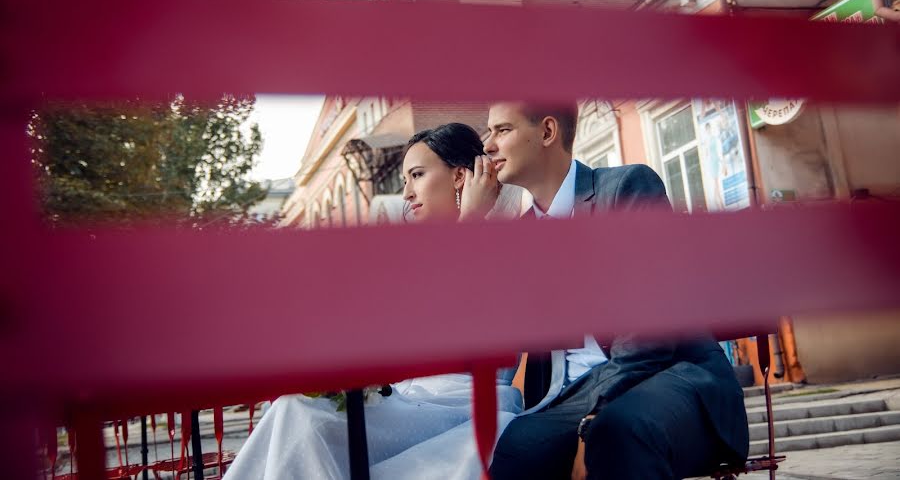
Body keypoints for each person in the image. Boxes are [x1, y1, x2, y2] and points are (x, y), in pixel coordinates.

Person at [223, 123, 521, 480]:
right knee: (295, 408)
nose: (406, 192)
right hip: (407, 395)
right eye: (405, 179)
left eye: (417, 175)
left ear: (460, 176)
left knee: (304, 417)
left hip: (459, 402)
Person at [483, 102, 749, 480]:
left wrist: (595, 417)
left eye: (501, 130)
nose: (488, 145)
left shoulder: (625, 189)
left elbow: (649, 338)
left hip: (665, 379)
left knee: (616, 432)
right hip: (570, 396)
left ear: (546, 132)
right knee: (514, 452)